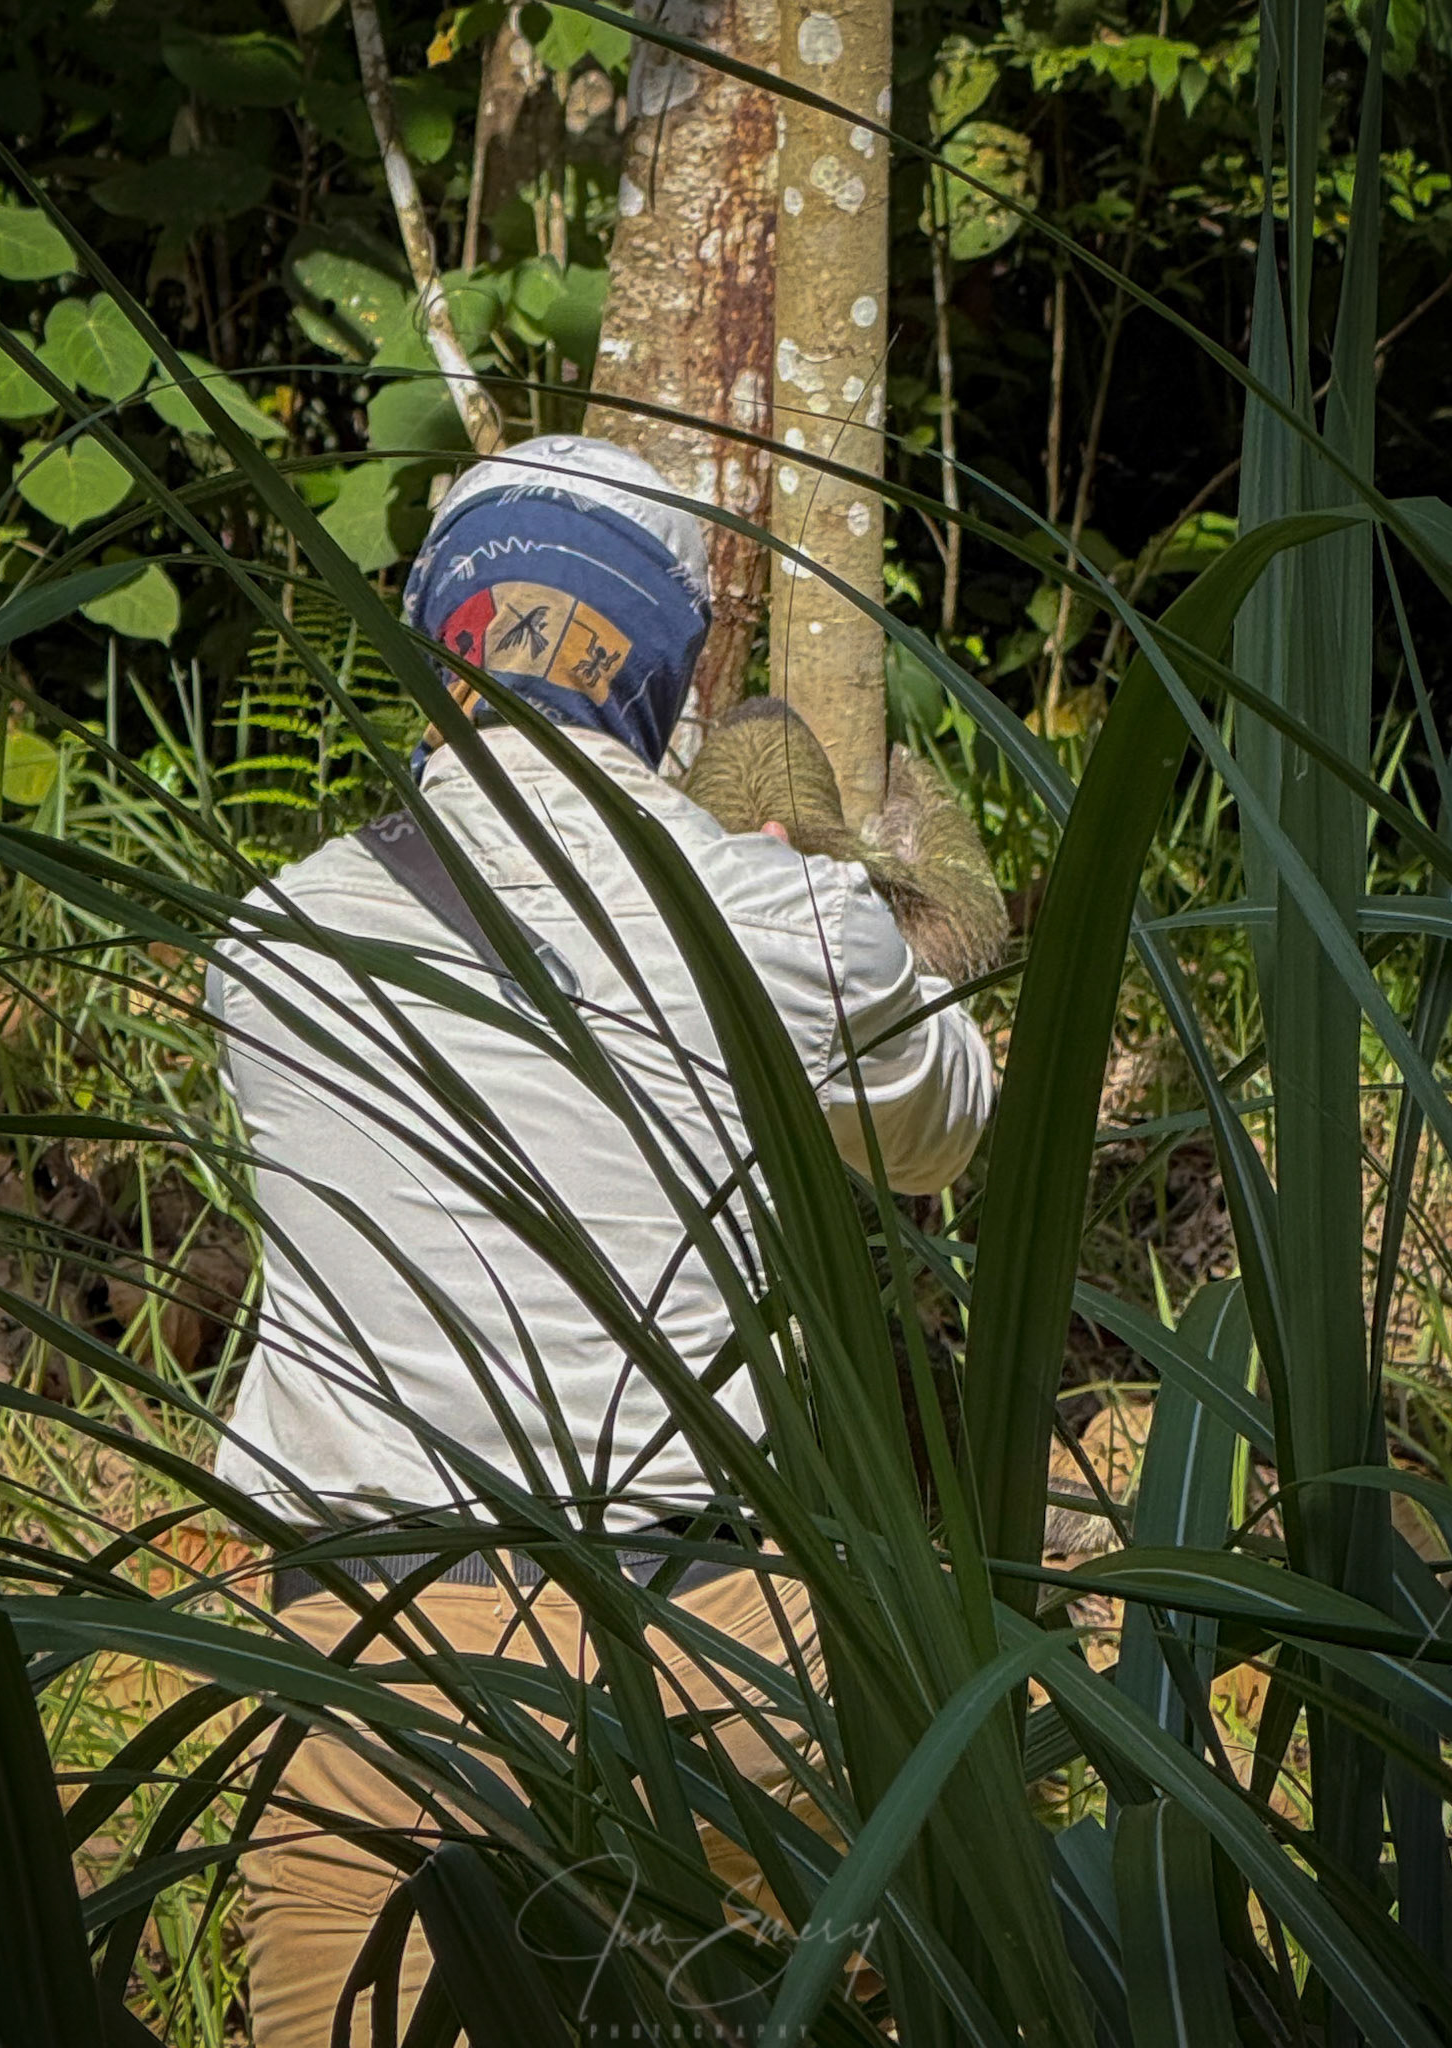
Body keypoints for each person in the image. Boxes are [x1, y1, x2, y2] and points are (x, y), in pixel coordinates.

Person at [205, 435, 997, 2046]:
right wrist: (850, 896)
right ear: (671, 662)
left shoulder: (270, 942)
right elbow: (950, 1129)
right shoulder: (787, 929)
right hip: (716, 1659)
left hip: (380, 1665)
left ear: (440, 639)